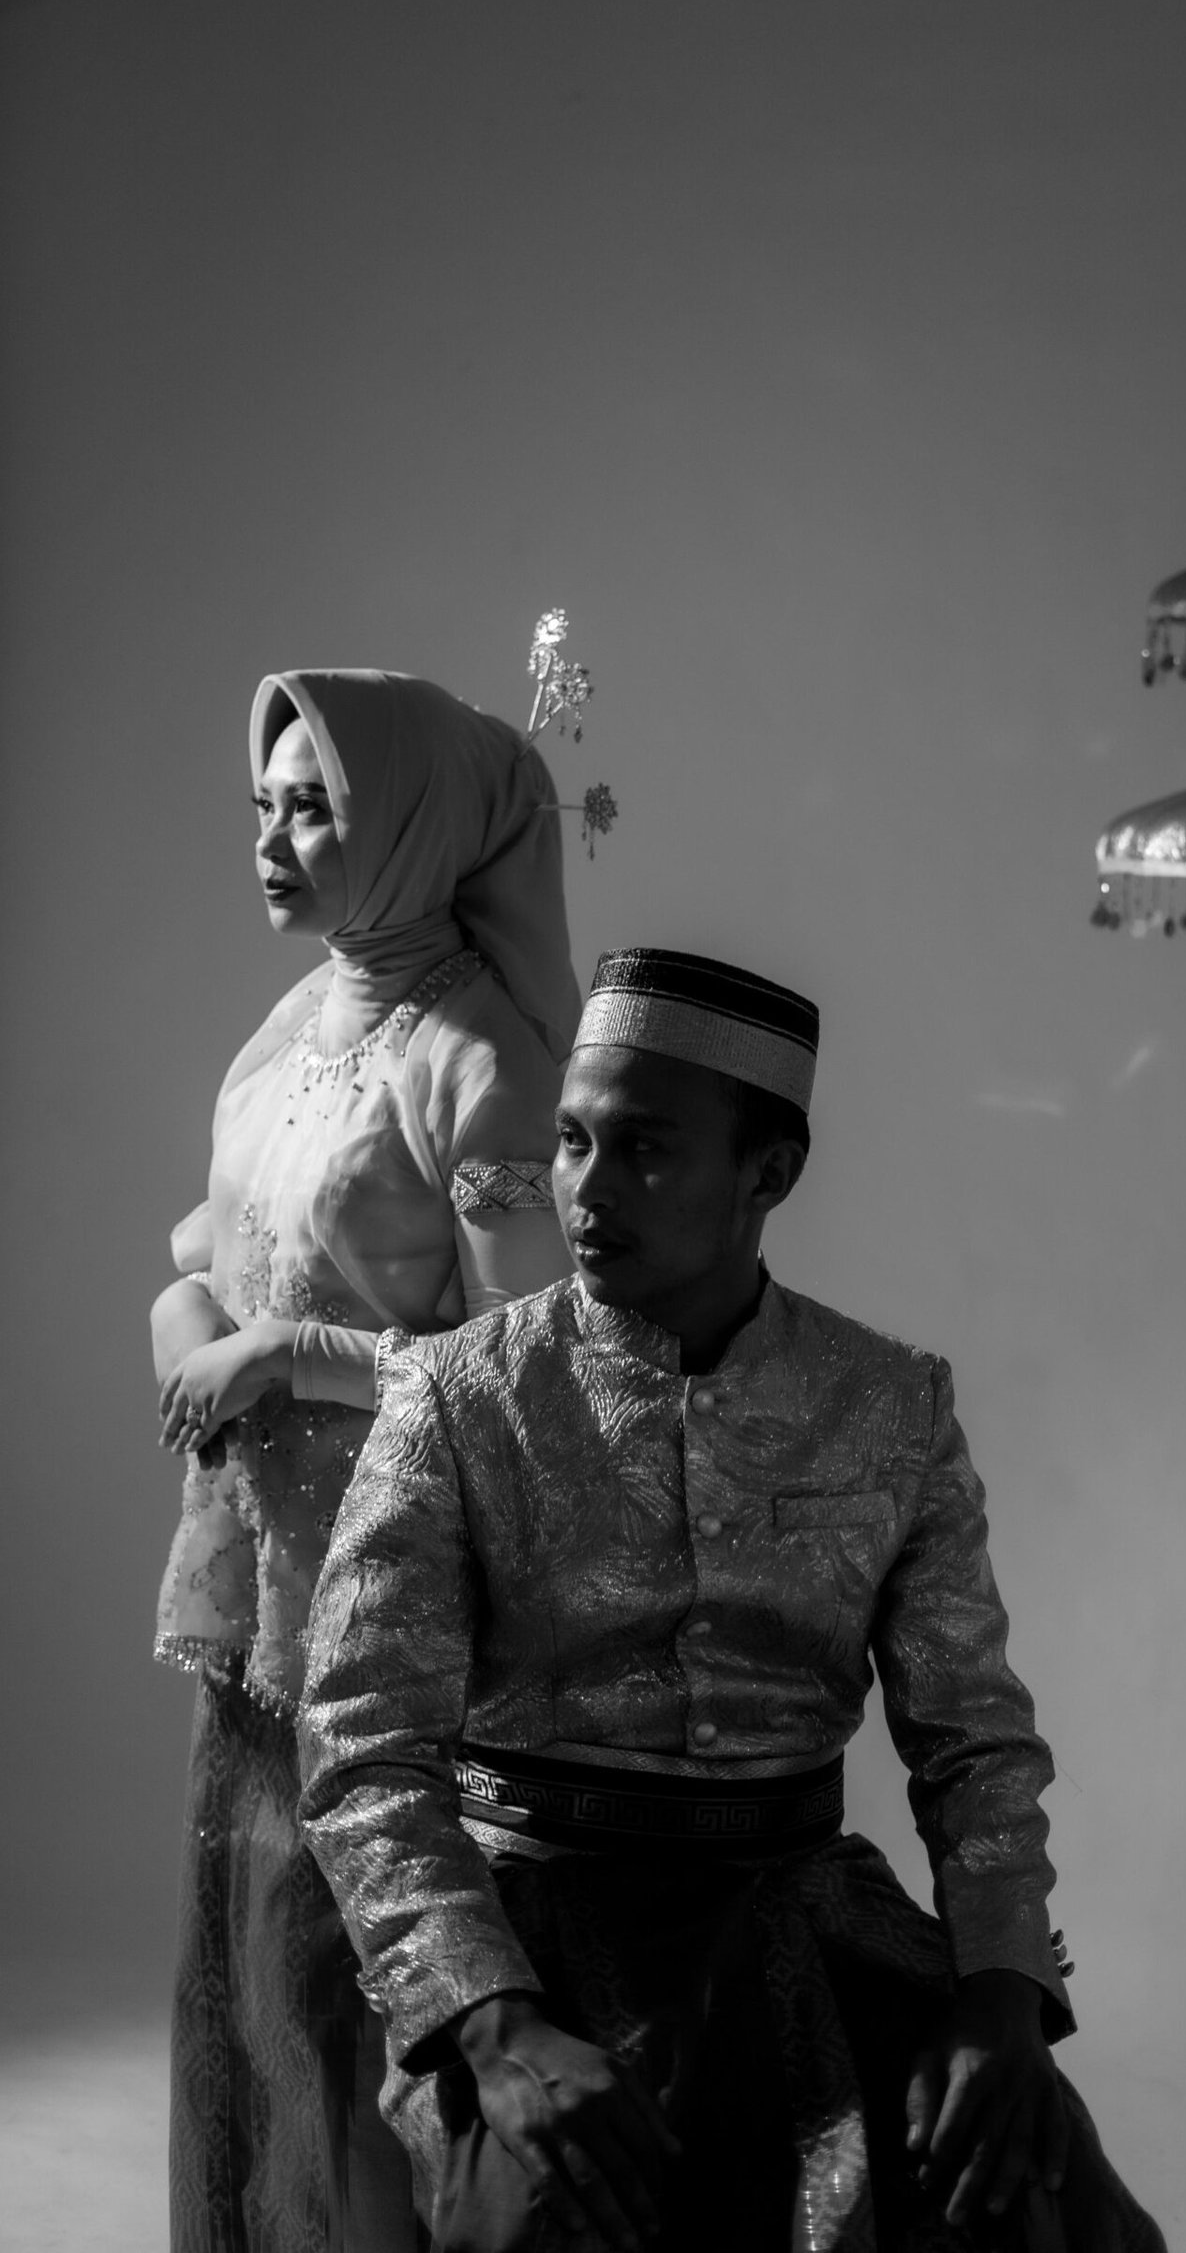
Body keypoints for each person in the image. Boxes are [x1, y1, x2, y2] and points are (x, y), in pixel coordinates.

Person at [298, 947, 1165, 2252]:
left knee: (1022, 2192)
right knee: (549, 2218)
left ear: (771, 1172)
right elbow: (362, 1753)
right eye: (574, 1142)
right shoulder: (458, 1397)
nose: (588, 1189)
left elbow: (975, 1740)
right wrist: (494, 2021)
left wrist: (1002, 1991)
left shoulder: (890, 1404)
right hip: (536, 1933)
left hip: (809, 1917)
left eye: (645, 1150)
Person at [151, 669, 583, 2253]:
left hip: (393, 1599)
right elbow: (219, 1236)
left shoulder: (481, 1060)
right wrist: (184, 1314)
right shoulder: (293, 1024)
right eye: (262, 806)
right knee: (252, 1977)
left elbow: (529, 1377)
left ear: (408, 825)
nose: (271, 839)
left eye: (314, 807)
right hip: (261, 1579)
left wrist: (281, 1354)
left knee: (362, 1989)